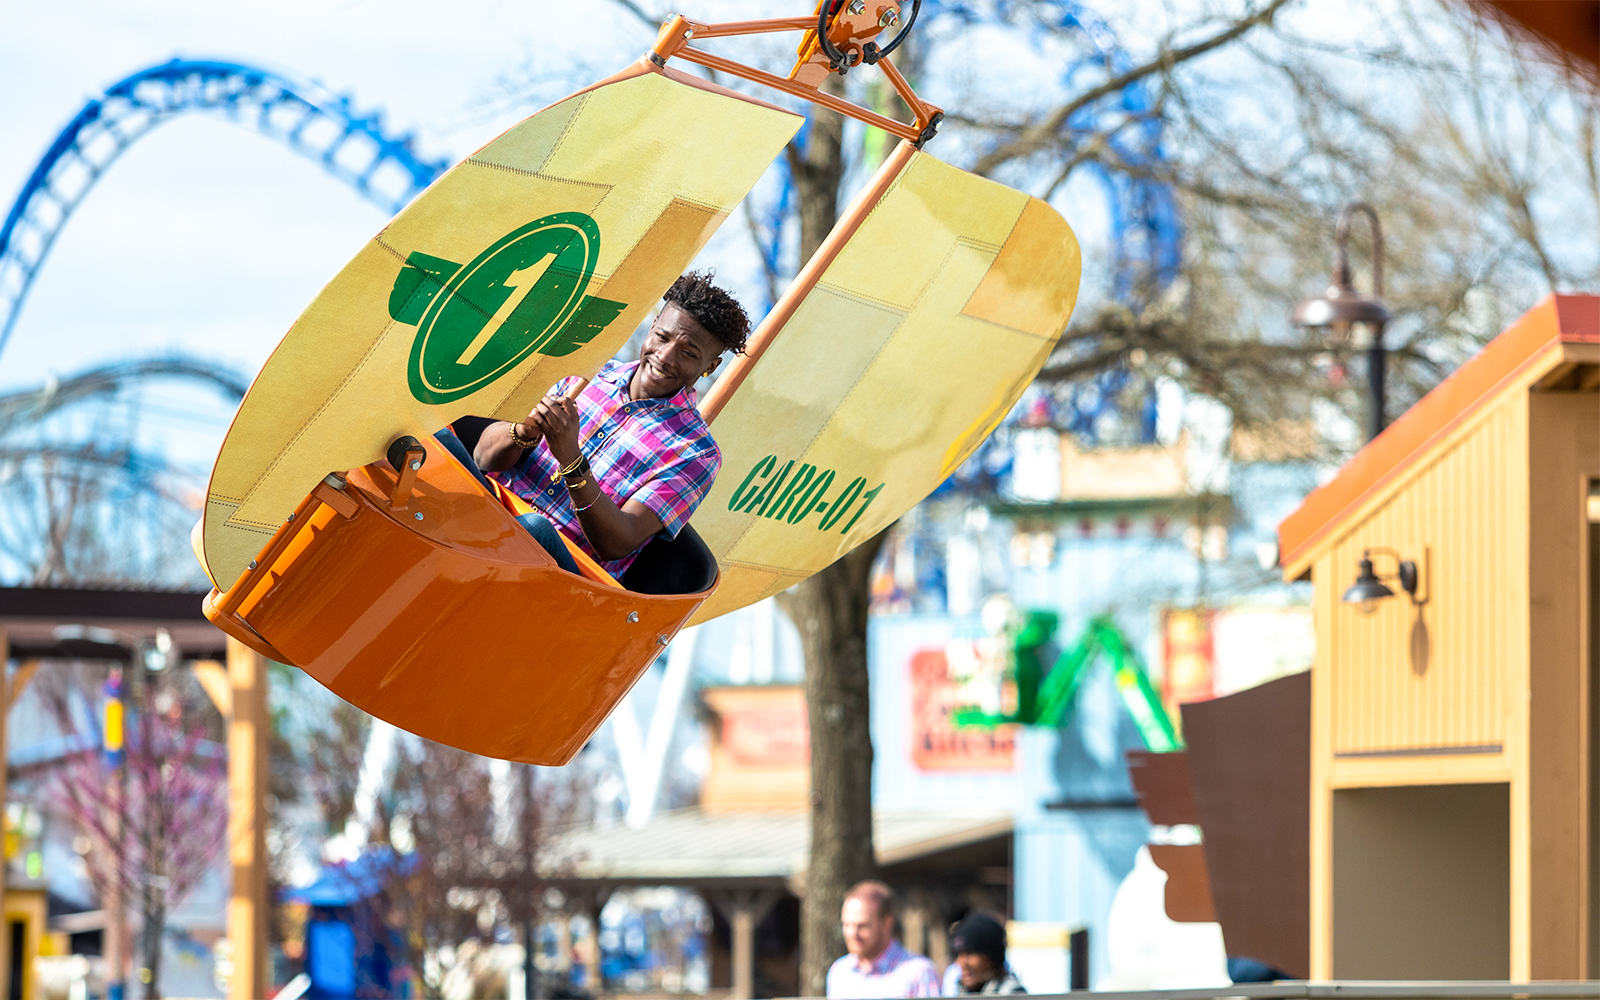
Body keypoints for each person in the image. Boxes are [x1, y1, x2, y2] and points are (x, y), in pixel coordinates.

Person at [439, 270, 749, 580]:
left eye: (688, 353)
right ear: (652, 326)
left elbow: (619, 542)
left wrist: (572, 461)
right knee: (435, 440)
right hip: (491, 514)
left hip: (559, 571)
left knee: (534, 529)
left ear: (710, 366)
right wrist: (523, 431)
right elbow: (482, 459)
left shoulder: (695, 452)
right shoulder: (585, 375)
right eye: (662, 337)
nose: (666, 357)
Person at [826, 881, 941, 998]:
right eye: (846, 925)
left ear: (887, 923)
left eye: (862, 926)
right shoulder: (839, 972)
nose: (852, 933)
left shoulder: (918, 973)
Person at [941, 913, 1024, 995]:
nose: (963, 963)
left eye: (970, 953)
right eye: (957, 954)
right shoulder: (958, 993)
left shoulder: (1011, 994)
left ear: (991, 958)